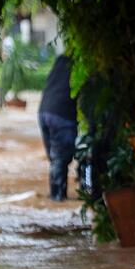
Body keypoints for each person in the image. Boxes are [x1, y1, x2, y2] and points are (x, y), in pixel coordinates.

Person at [38, 55, 77, 201]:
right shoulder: (76, 68)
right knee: (60, 158)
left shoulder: (59, 65)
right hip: (62, 115)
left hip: (43, 112)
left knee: (55, 158)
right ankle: (58, 196)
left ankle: (56, 194)